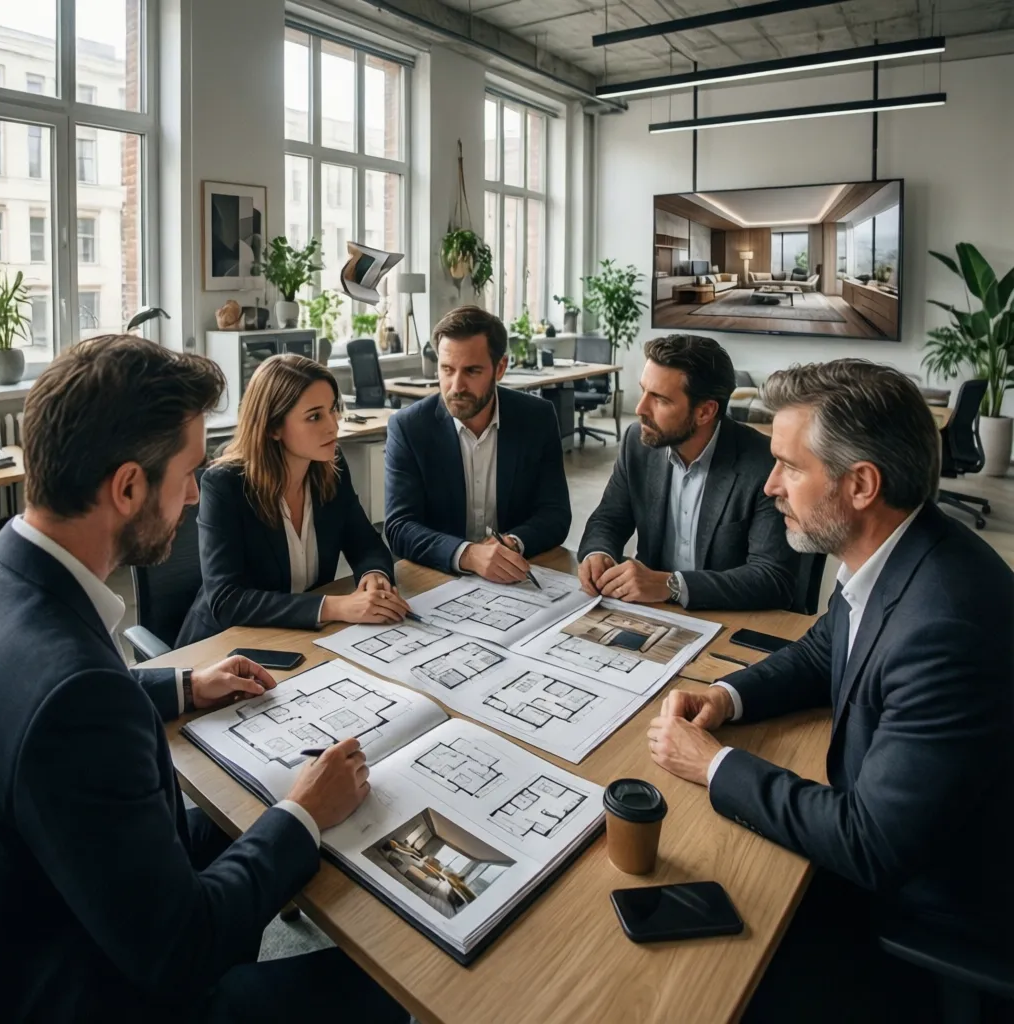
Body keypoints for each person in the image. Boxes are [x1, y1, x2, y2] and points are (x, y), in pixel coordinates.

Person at [0, 335, 405, 1022]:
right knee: (397, 980)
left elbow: (55, 703)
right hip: (102, 988)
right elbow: (183, 952)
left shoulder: (9, 575)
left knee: (244, 808)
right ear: (128, 486)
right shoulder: (79, 698)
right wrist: (303, 814)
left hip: (62, 899)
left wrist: (183, 685)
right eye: (187, 473)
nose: (191, 497)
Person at [646, 360, 1013, 1021]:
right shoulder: (898, 550)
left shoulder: (946, 625)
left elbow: (869, 843)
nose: (770, 485)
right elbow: (823, 652)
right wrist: (727, 696)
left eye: (789, 466)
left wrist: (714, 764)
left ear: (861, 484)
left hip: (927, 911)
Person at [178, 354, 406, 646]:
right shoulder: (225, 484)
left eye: (332, 409)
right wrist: (335, 607)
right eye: (314, 416)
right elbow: (227, 600)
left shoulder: (331, 468)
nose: (333, 426)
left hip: (300, 636)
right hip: (223, 645)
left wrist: (374, 576)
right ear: (273, 427)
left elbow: (365, 543)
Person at [577, 334, 797, 610]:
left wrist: (672, 585)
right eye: (643, 390)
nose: (640, 408)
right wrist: (598, 553)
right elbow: (609, 518)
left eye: (660, 399)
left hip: (728, 616)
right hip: (651, 610)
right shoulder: (638, 442)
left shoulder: (765, 464)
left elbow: (772, 577)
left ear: (705, 412)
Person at [384, 305, 571, 580]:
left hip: (512, 576)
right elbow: (400, 527)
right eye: (447, 369)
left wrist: (512, 543)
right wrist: (469, 555)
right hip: (439, 577)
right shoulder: (409, 428)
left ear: (500, 368)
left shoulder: (537, 418)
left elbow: (555, 513)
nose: (456, 386)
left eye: (471, 371)